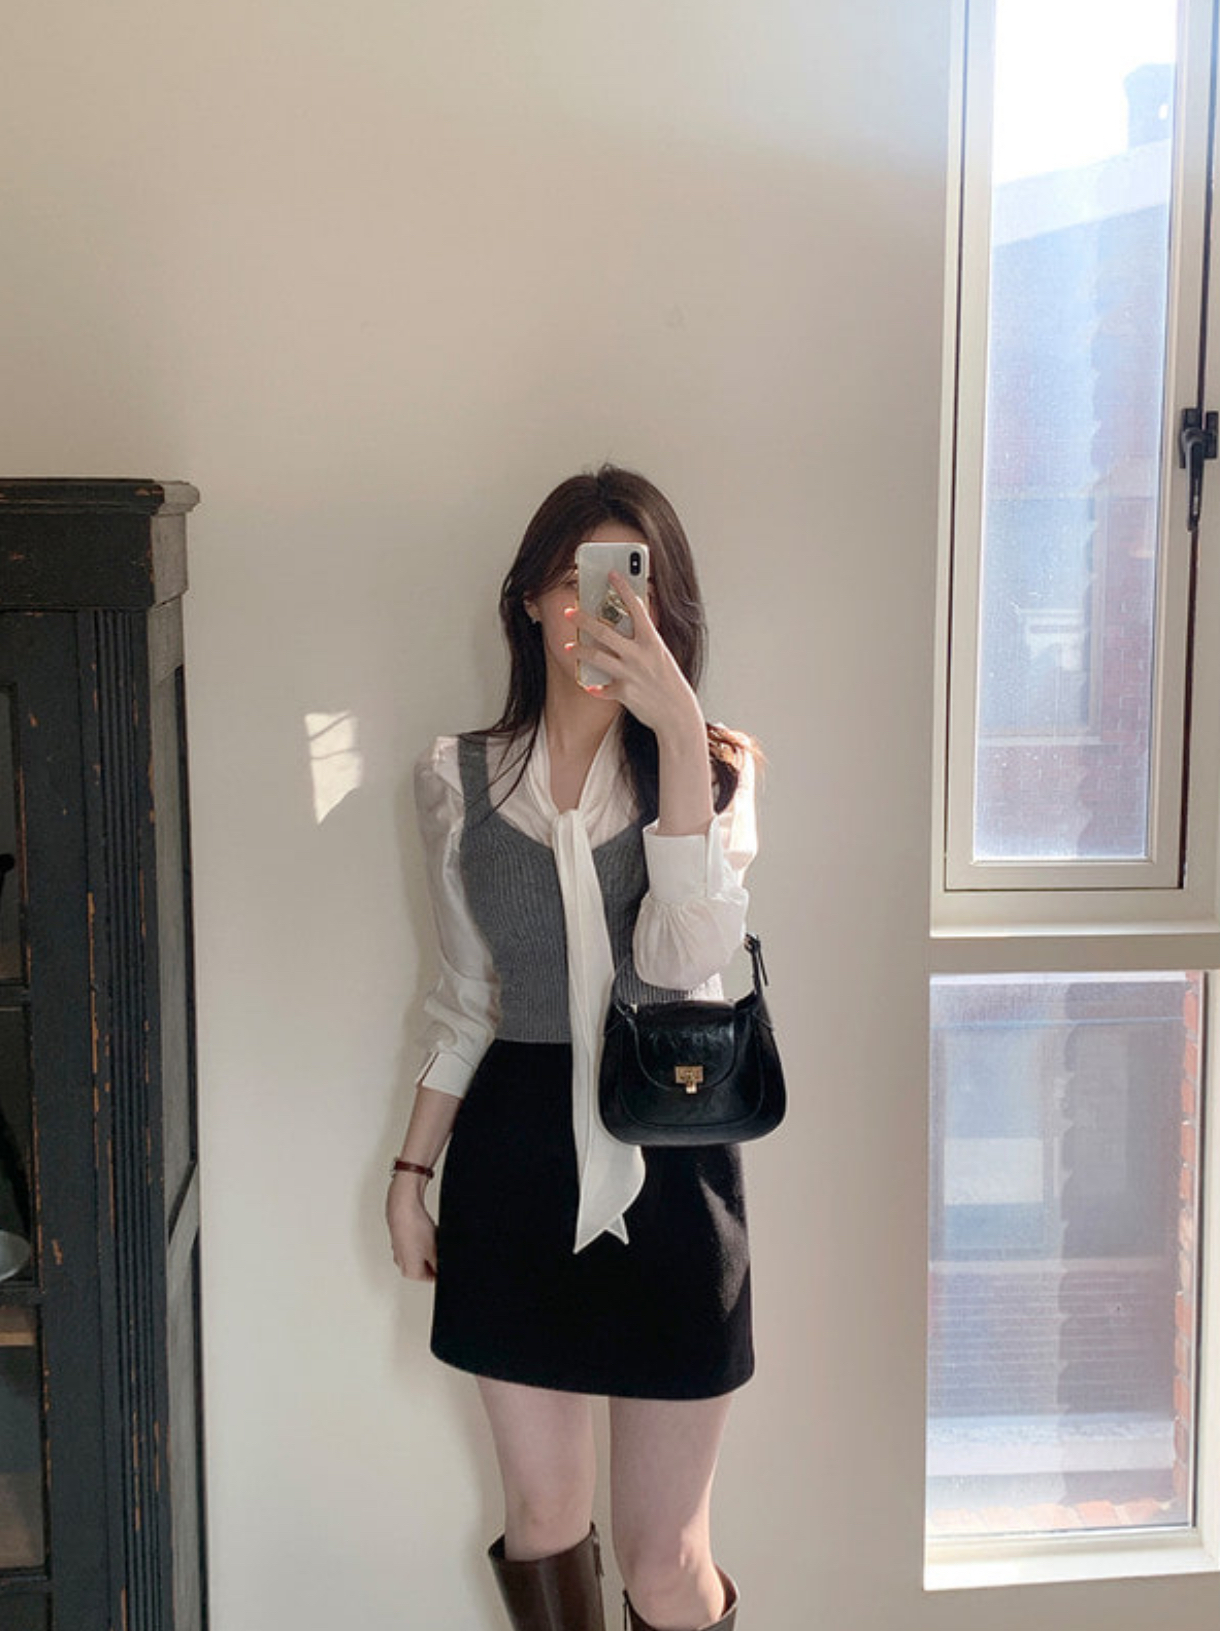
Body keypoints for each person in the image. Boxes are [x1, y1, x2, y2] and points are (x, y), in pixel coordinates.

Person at [386, 465, 758, 1631]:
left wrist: (675, 729)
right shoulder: (455, 779)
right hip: (515, 1158)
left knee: (663, 1559)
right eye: (574, 580)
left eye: (625, 584)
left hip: (670, 1160)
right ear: (529, 600)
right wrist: (409, 1172)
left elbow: (682, 955)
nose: (597, 610)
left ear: (664, 606)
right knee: (543, 1518)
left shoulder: (719, 768)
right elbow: (464, 998)